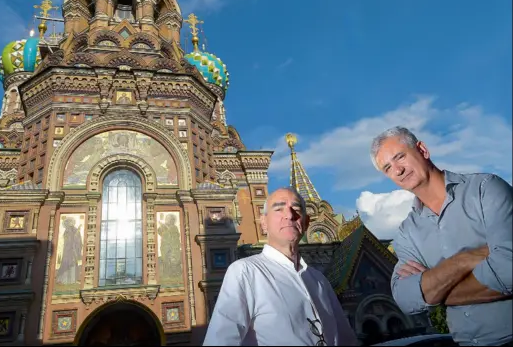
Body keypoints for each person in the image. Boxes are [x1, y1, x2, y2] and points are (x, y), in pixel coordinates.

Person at [370, 126, 512, 346]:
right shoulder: (408, 232)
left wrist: (437, 292)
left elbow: (508, 271)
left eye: (400, 157)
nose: (397, 170)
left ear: (423, 150)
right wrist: (463, 260)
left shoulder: (485, 190)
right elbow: (406, 298)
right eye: (388, 168)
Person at [203, 187, 358, 346]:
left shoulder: (319, 281)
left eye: (296, 209)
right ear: (263, 223)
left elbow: (347, 340)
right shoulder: (246, 272)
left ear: (305, 223)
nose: (290, 215)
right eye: (278, 209)